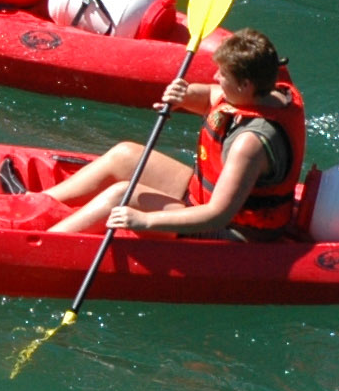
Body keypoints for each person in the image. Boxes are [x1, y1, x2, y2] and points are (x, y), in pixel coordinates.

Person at [39, 29, 310, 240]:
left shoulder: (249, 144)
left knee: (121, 195)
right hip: (202, 198)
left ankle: (45, 242)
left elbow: (217, 215)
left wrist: (145, 220)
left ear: (245, 85)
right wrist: (185, 95)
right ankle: (36, 206)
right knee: (124, 155)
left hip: (233, 232)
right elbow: (211, 96)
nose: (216, 77)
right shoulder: (268, 93)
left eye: (223, 74)